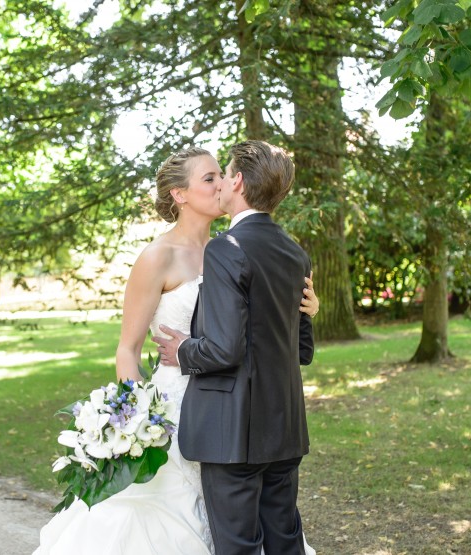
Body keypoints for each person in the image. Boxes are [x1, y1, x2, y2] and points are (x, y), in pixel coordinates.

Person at [34, 147, 318, 554]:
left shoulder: (236, 248)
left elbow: (264, 331)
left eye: (223, 174)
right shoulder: (157, 257)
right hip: (175, 411)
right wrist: (135, 425)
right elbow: (127, 351)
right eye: (209, 178)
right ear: (179, 194)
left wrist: (309, 309)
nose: (221, 183)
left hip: (238, 416)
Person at [154, 140, 314, 555]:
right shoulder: (295, 252)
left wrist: (183, 351)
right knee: (285, 542)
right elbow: (301, 348)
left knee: (238, 546)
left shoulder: (226, 248)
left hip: (233, 433)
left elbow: (225, 350)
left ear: (238, 181)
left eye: (224, 173)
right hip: (285, 428)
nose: (221, 181)